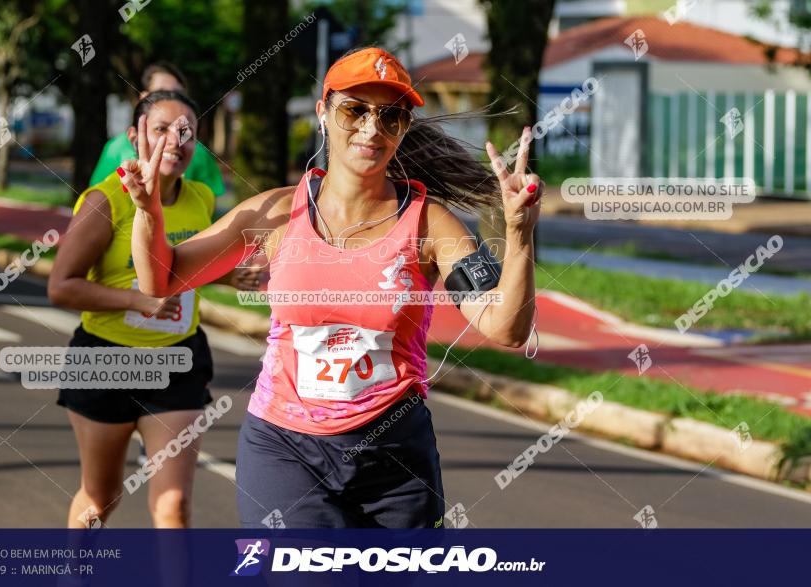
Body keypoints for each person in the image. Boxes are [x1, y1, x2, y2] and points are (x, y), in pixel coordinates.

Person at [122, 47, 541, 528]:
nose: (371, 129)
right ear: (323, 113)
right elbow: (161, 278)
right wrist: (148, 209)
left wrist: (519, 231)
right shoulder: (276, 213)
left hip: (394, 458)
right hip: (284, 448)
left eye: (390, 116)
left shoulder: (431, 225)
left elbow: (505, 328)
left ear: (403, 127)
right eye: (354, 110)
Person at [49, 91, 220, 528]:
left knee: (173, 504)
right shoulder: (105, 201)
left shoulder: (200, 197)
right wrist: (137, 300)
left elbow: (184, 270)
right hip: (106, 359)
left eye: (186, 133)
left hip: (178, 360)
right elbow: (61, 287)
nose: (174, 142)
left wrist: (229, 276)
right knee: (101, 498)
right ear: (134, 137)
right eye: (160, 129)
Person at [90, 62, 226, 197]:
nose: (171, 100)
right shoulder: (115, 148)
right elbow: (96, 197)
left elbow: (208, 208)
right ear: (143, 97)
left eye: (178, 95)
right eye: (161, 93)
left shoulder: (198, 153)